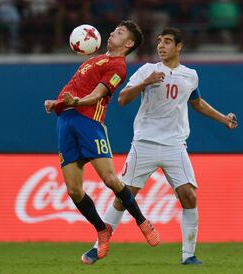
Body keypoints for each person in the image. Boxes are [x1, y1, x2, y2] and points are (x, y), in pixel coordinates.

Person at [81, 27, 238, 265]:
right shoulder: (148, 70)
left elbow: (197, 103)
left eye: (167, 42)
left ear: (179, 47)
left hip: (175, 146)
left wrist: (223, 119)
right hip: (144, 143)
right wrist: (145, 82)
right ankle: (97, 247)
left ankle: (189, 255)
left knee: (189, 196)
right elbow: (122, 99)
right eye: (159, 42)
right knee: (124, 198)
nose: (161, 46)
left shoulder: (190, 75)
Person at [44, 20, 160, 263]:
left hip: (89, 123)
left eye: (119, 32)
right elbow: (74, 89)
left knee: (110, 179)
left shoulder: (118, 66)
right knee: (74, 190)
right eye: (114, 30)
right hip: (65, 121)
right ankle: (101, 229)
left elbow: (96, 95)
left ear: (128, 43)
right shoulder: (92, 59)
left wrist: (76, 102)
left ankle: (142, 221)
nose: (112, 33)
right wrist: (58, 103)